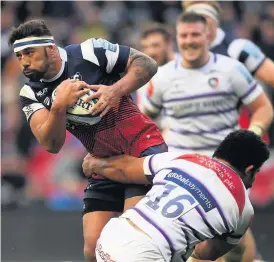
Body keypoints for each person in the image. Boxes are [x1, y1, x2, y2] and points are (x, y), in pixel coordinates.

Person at [9, 20, 168, 262]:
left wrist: (114, 91)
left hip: (143, 150)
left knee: (133, 242)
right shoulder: (30, 93)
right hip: (103, 164)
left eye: (29, 53)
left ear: (50, 48)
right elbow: (51, 145)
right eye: (19, 56)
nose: (24, 62)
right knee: (92, 250)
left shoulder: (89, 52)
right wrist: (59, 105)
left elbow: (147, 64)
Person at [140, 12, 274, 262]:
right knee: (192, 243)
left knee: (235, 246)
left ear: (208, 36)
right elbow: (142, 123)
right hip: (182, 171)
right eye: (184, 35)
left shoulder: (231, 69)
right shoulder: (162, 78)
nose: (189, 41)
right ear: (176, 39)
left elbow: (263, 107)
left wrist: (250, 137)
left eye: (195, 35)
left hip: (225, 170)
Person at [182, 2, 274, 261]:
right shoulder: (184, 53)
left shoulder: (237, 49)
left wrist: (253, 133)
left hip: (228, 153)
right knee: (222, 231)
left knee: (225, 227)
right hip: (192, 152)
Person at [81, 129, 270, 262]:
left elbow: (126, 169)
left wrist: (94, 165)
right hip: (147, 255)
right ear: (250, 169)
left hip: (110, 238)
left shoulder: (184, 158)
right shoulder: (243, 208)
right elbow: (209, 254)